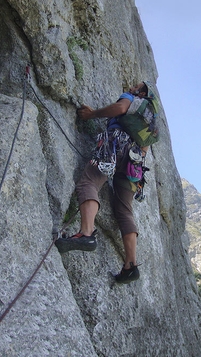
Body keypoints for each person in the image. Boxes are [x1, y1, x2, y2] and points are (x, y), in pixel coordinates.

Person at [55, 82, 150, 284]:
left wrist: (92, 115)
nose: (132, 86)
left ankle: (86, 233)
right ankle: (130, 265)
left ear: (141, 92)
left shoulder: (132, 98)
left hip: (116, 143)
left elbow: (120, 108)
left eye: (136, 85)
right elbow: (145, 148)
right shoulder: (150, 118)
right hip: (135, 163)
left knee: (89, 181)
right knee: (124, 210)